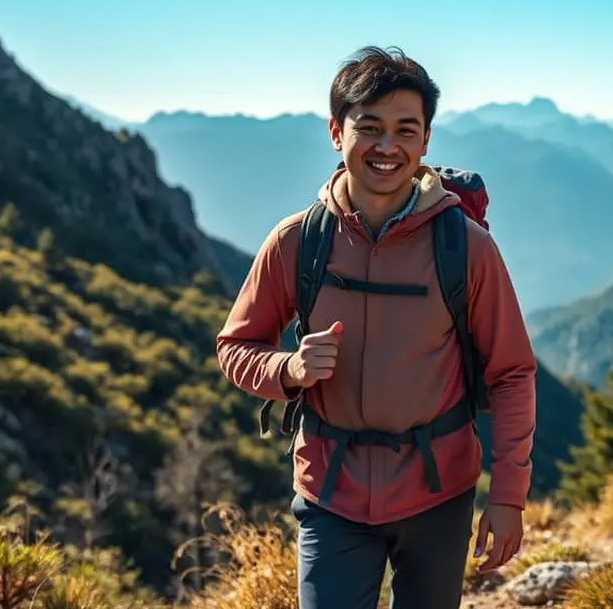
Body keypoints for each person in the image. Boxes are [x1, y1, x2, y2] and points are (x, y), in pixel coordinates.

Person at [216, 46, 537, 609]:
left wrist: (508, 496)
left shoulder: (466, 248)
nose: (388, 147)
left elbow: (511, 372)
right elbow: (236, 346)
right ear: (337, 134)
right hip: (329, 492)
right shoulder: (298, 242)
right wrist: (287, 369)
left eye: (405, 130)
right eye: (370, 127)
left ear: (426, 141)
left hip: (439, 493)